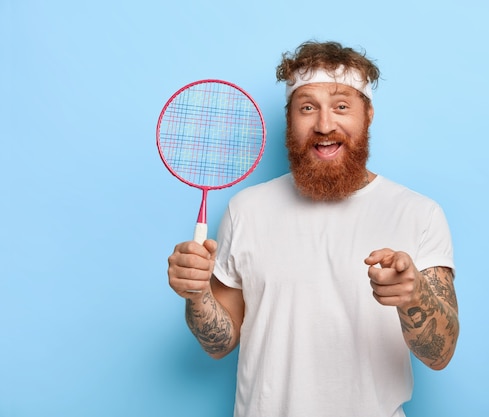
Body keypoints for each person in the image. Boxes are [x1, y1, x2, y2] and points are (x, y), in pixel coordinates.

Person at [168, 40, 459, 417]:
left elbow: (442, 354)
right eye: (308, 108)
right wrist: (196, 295)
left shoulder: (419, 213)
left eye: (342, 107)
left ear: (367, 114)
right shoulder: (247, 209)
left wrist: (414, 295)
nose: (324, 125)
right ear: (291, 117)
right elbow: (219, 344)